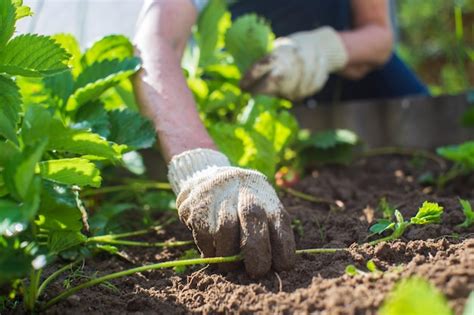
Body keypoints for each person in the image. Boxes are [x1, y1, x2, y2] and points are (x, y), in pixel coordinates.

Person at [133, 0, 428, 278]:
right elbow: (156, 41)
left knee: (429, 129)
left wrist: (323, 48)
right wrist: (201, 166)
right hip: (251, 89)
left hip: (349, 75)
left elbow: (379, 35)